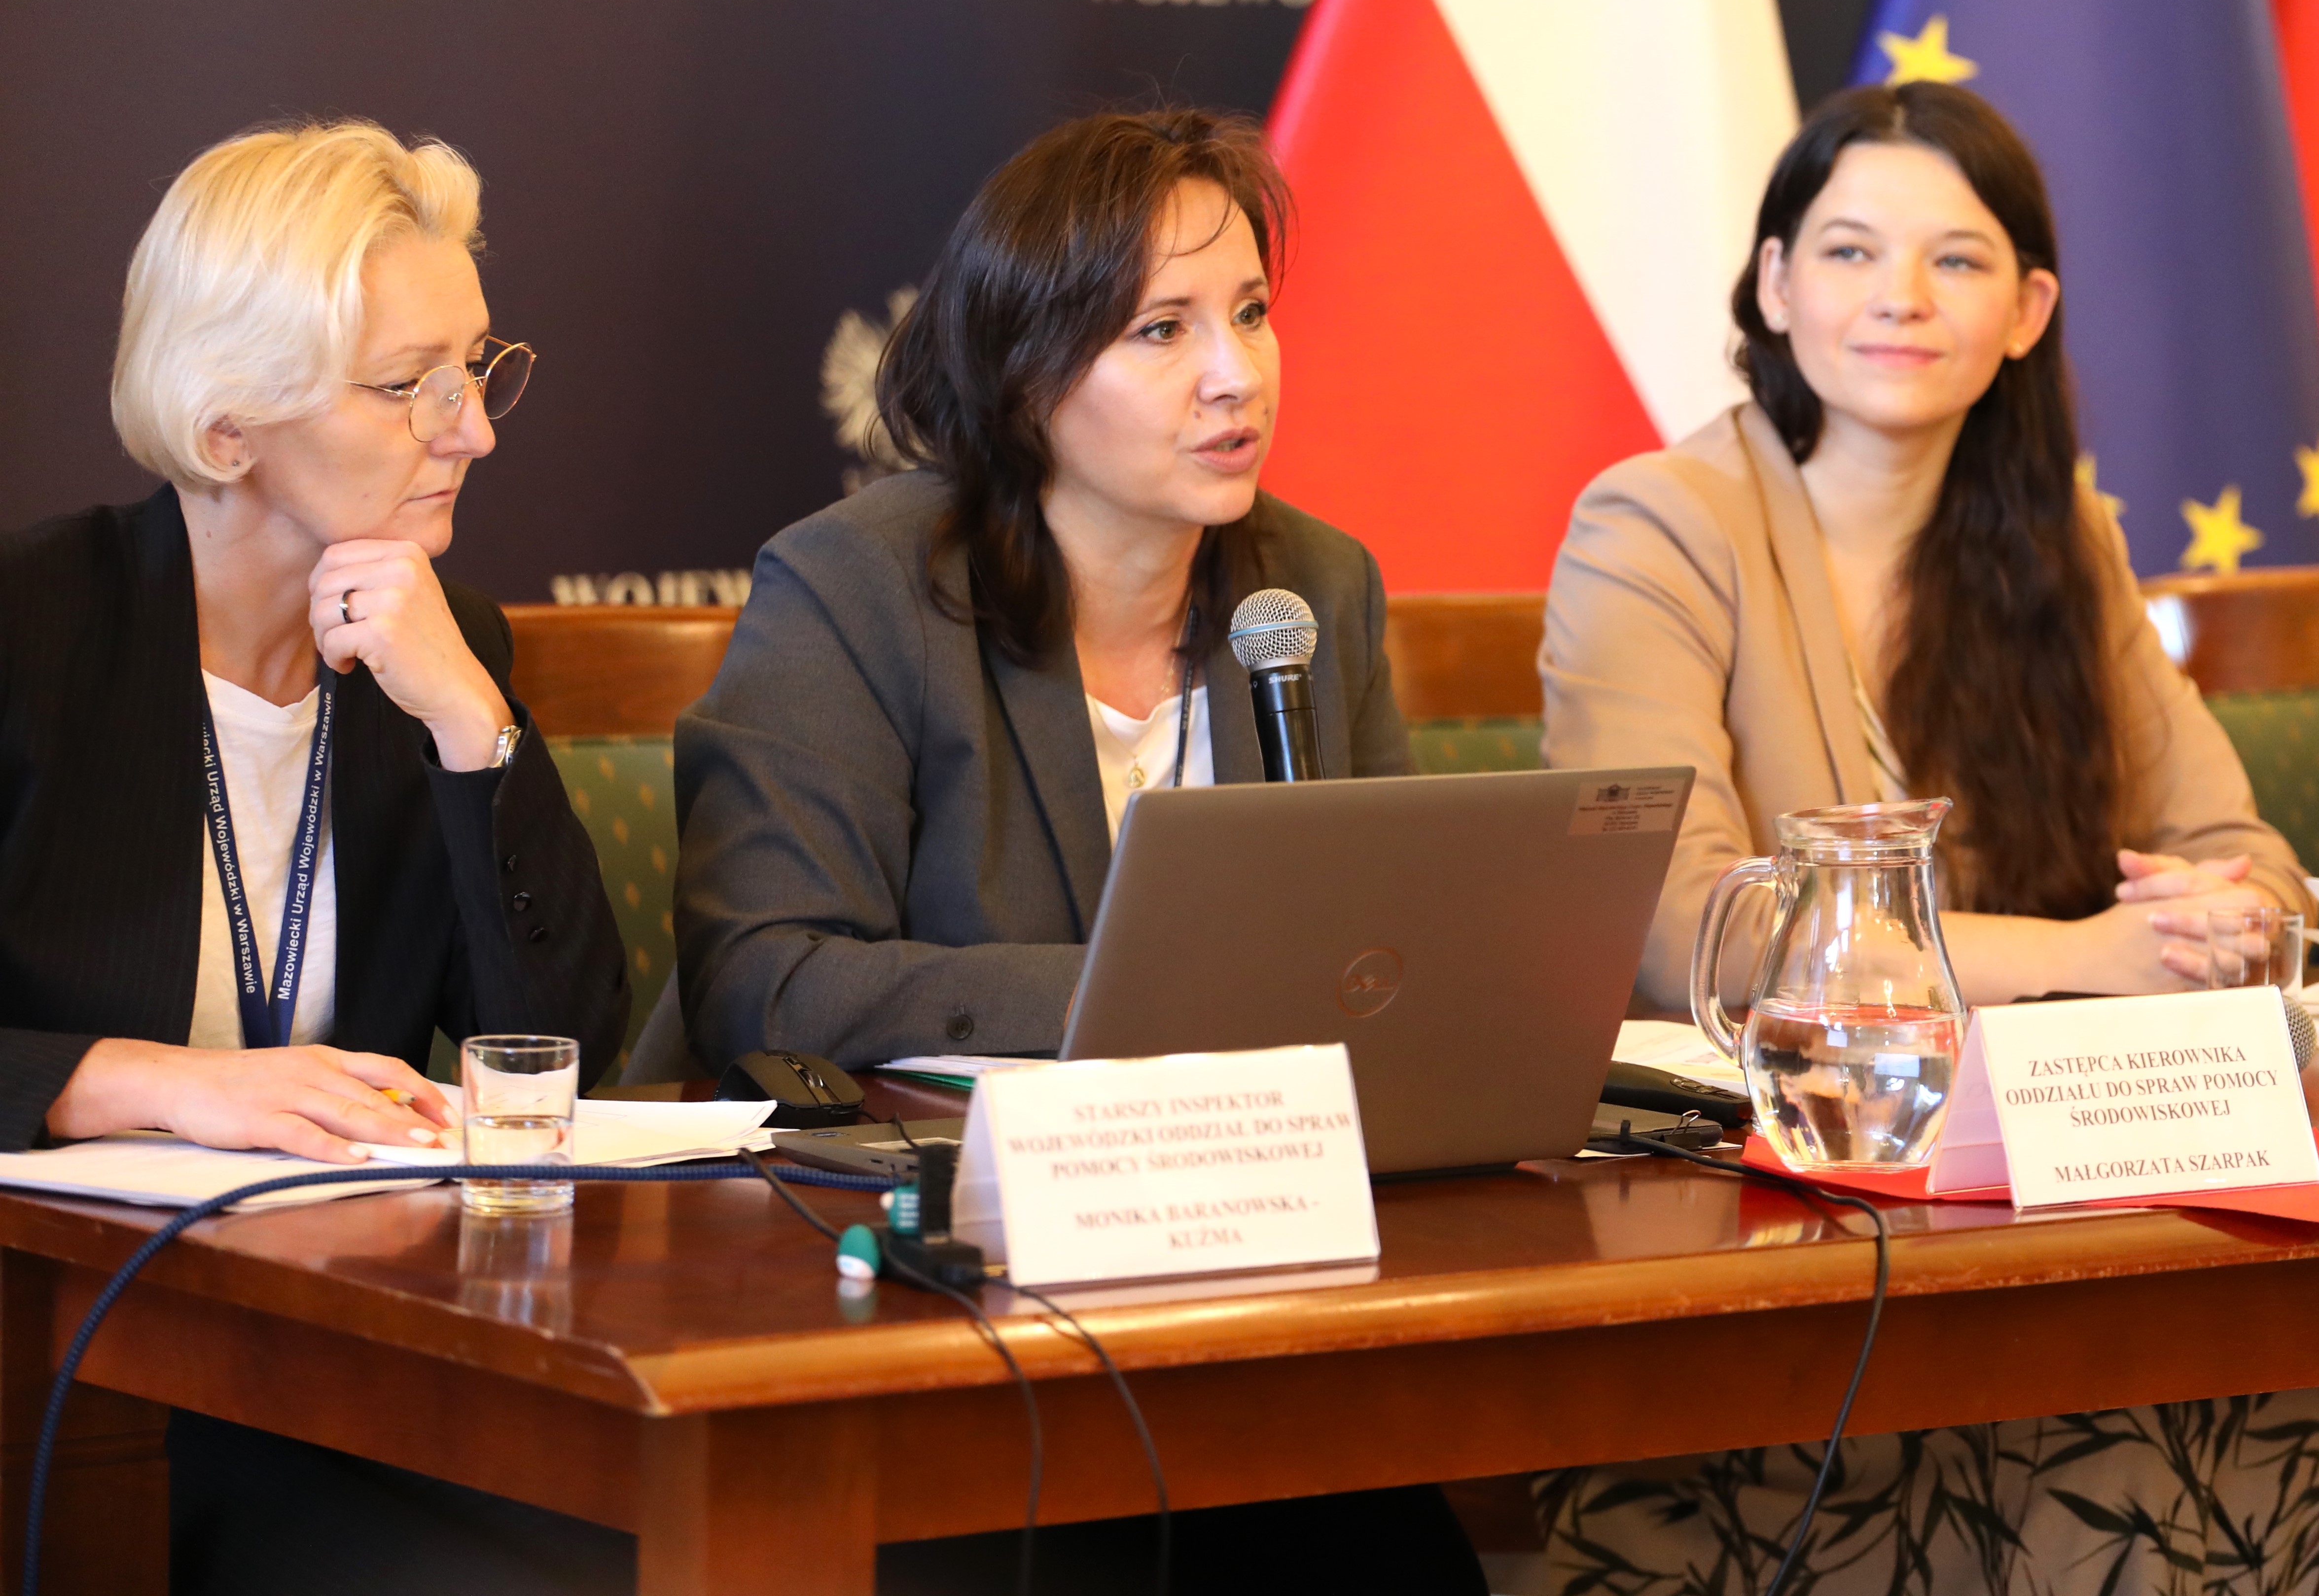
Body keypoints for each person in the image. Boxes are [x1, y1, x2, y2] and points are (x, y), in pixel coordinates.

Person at [1537, 83, 2319, 1596]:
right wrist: (2092, 953)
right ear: (1776, 287)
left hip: (2053, 1178)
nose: (1900, 296)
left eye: (1956, 261)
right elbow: (1688, 933)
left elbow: (2244, 851)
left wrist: (2218, 917)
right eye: (1850, 252)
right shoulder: (1658, 526)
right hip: (1770, 1213)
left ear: (2027, 312)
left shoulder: (2065, 538)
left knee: (2194, 1366)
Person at [674, 106, 1478, 1594]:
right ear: (1027, 376)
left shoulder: (1311, 588)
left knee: (1400, 1563)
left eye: (1250, 313)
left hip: (1256, 1289)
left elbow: (1391, 957)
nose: (1236, 374)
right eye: (1163, 331)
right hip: (942, 1315)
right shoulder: (859, 590)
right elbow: (767, 983)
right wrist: (1155, 997)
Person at [0, 119, 628, 1594]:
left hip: (351, 1351)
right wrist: (156, 1082)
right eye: (411, 386)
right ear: (229, 429)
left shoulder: (444, 645)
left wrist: (473, 726)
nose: (471, 430)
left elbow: (561, 1049)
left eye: (478, 368)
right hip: (60, 1374)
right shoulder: (31, 632)